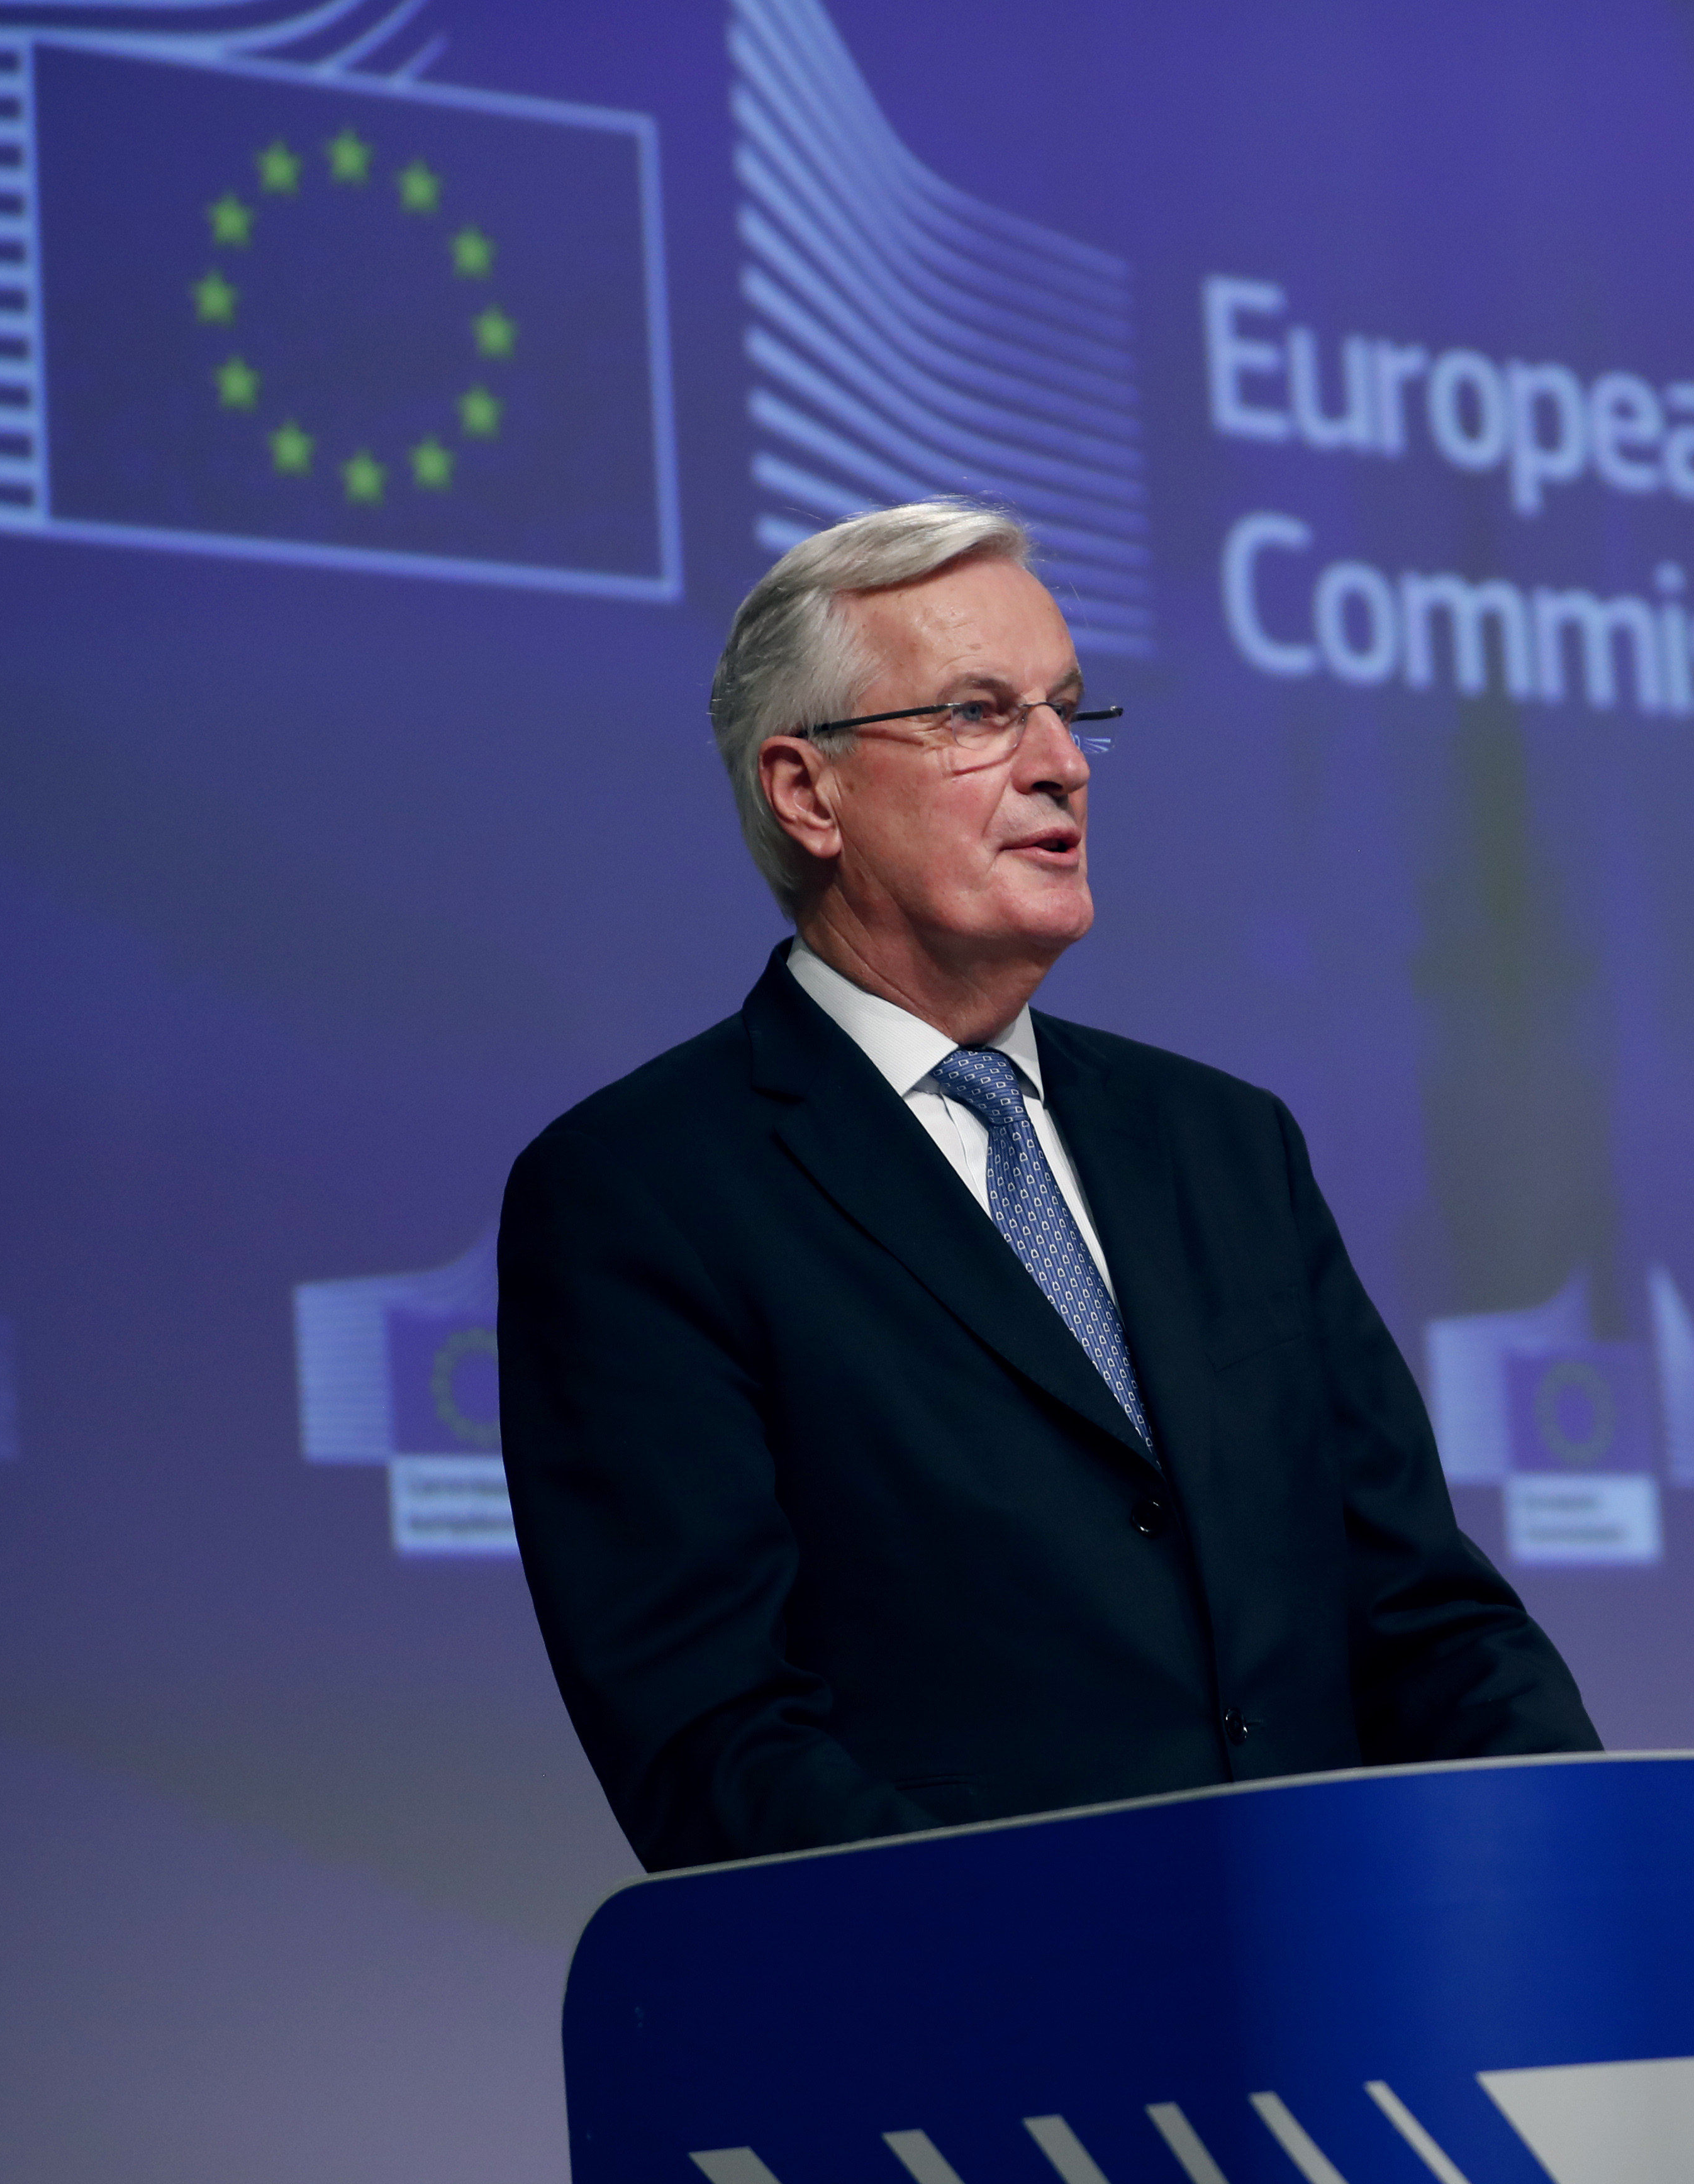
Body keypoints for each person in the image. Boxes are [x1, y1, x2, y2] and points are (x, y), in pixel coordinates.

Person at [499, 499, 1598, 1872]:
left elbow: (1426, 1617)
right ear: (806, 789)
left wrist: (1579, 1862)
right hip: (977, 2035)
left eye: (1069, 710)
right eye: (977, 712)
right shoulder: (642, 1194)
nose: (1064, 765)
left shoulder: (1225, 1145)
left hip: (1342, 2000)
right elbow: (718, 1742)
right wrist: (1067, 1955)